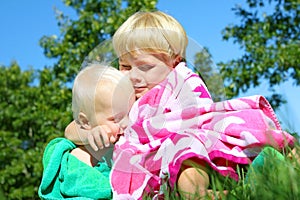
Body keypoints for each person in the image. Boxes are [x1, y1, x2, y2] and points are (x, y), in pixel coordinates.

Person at [65, 11, 295, 199]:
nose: (133, 77)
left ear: (174, 63)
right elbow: (76, 127)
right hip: (154, 164)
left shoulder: (181, 81)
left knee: (186, 155)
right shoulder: (126, 95)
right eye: (125, 67)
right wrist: (94, 130)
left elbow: (199, 118)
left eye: (144, 67)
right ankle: (227, 192)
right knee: (66, 149)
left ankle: (208, 191)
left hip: (192, 153)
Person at [39, 63, 135, 199]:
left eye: (131, 114)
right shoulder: (78, 161)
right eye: (116, 119)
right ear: (86, 122)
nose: (127, 123)